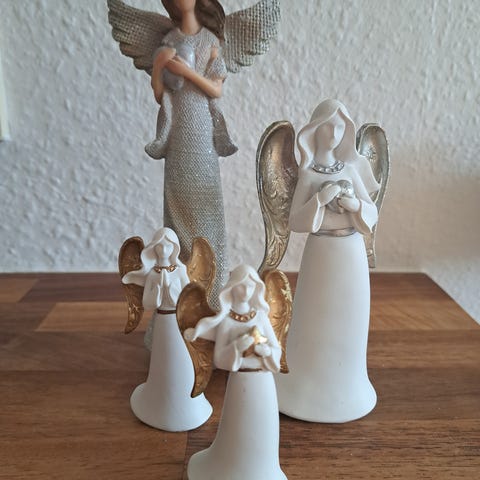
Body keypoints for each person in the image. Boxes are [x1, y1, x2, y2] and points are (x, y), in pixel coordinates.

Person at [275, 99, 381, 423]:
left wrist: (354, 205)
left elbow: (371, 211)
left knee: (349, 317)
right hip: (320, 254)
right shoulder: (307, 174)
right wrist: (319, 200)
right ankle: (307, 385)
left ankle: (347, 385)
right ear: (314, 130)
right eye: (328, 126)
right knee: (315, 314)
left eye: (339, 127)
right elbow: (295, 220)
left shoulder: (350, 169)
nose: (334, 133)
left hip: (351, 254)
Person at [145, 0, 237, 306]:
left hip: (201, 131)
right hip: (178, 133)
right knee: (177, 203)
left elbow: (216, 89)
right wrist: (158, 68)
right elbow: (160, 93)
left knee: (206, 206)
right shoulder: (169, 41)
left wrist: (187, 71)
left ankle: (211, 293)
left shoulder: (210, 41)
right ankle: (181, 295)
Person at [184, 264, 286, 480]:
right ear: (232, 287)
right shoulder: (227, 320)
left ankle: (263, 470)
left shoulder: (260, 316)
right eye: (241, 286)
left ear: (257, 288)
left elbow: (276, 351)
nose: (246, 291)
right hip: (240, 384)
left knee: (263, 429)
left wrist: (267, 351)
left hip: (264, 383)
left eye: (251, 286)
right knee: (239, 427)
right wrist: (237, 347)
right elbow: (220, 359)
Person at [122, 227, 212, 431]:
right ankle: (159, 398)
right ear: (154, 248)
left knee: (181, 358)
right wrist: (156, 290)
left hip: (177, 322)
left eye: (167, 246)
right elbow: (148, 303)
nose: (163, 250)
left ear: (174, 248)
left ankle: (185, 399)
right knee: (162, 357)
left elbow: (188, 297)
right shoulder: (152, 274)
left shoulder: (180, 271)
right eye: (159, 246)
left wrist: (170, 289)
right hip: (162, 323)